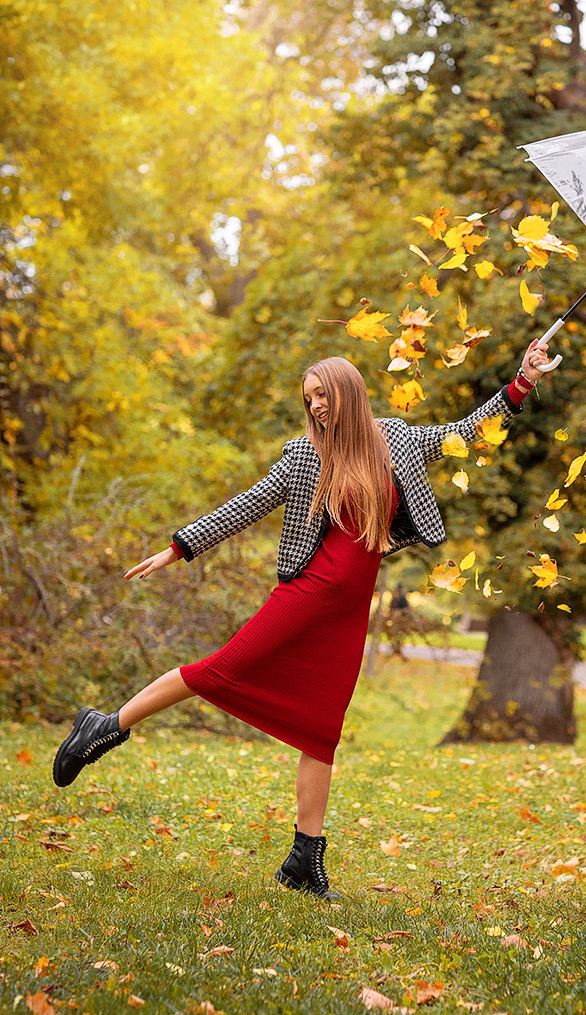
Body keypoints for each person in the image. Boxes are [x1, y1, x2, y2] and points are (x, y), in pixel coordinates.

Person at [52, 342, 550, 900]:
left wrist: (522, 381)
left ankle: (303, 860)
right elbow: (249, 504)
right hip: (308, 594)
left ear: (346, 392)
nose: (314, 406)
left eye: (321, 395)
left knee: (322, 728)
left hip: (349, 610)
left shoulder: (397, 440)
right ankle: (106, 726)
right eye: (308, 398)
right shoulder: (304, 455)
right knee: (219, 670)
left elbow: (467, 431)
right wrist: (179, 547)